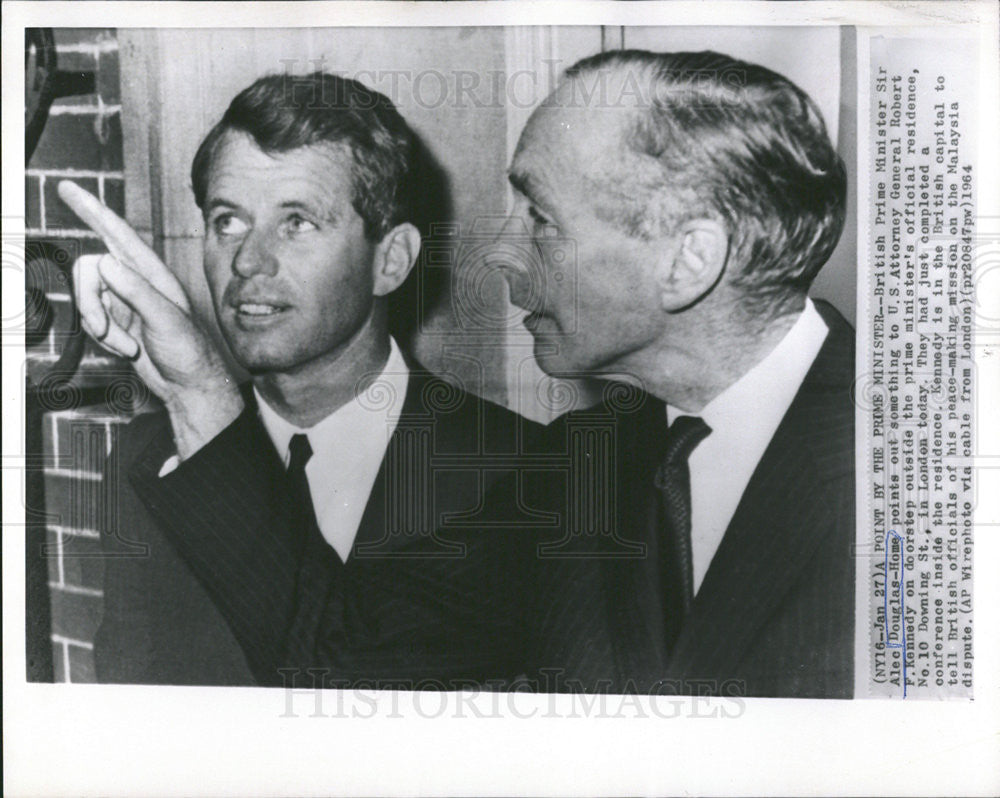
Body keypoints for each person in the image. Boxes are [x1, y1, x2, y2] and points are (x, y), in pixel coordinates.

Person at [63, 72, 541, 688]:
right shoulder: (149, 459)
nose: (247, 260)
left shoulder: (519, 475)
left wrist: (198, 395)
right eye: (228, 221)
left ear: (389, 260)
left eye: (297, 223)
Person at [501, 50, 856, 698]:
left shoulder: (928, 481)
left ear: (687, 262)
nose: (502, 253)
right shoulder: (567, 469)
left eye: (540, 220)